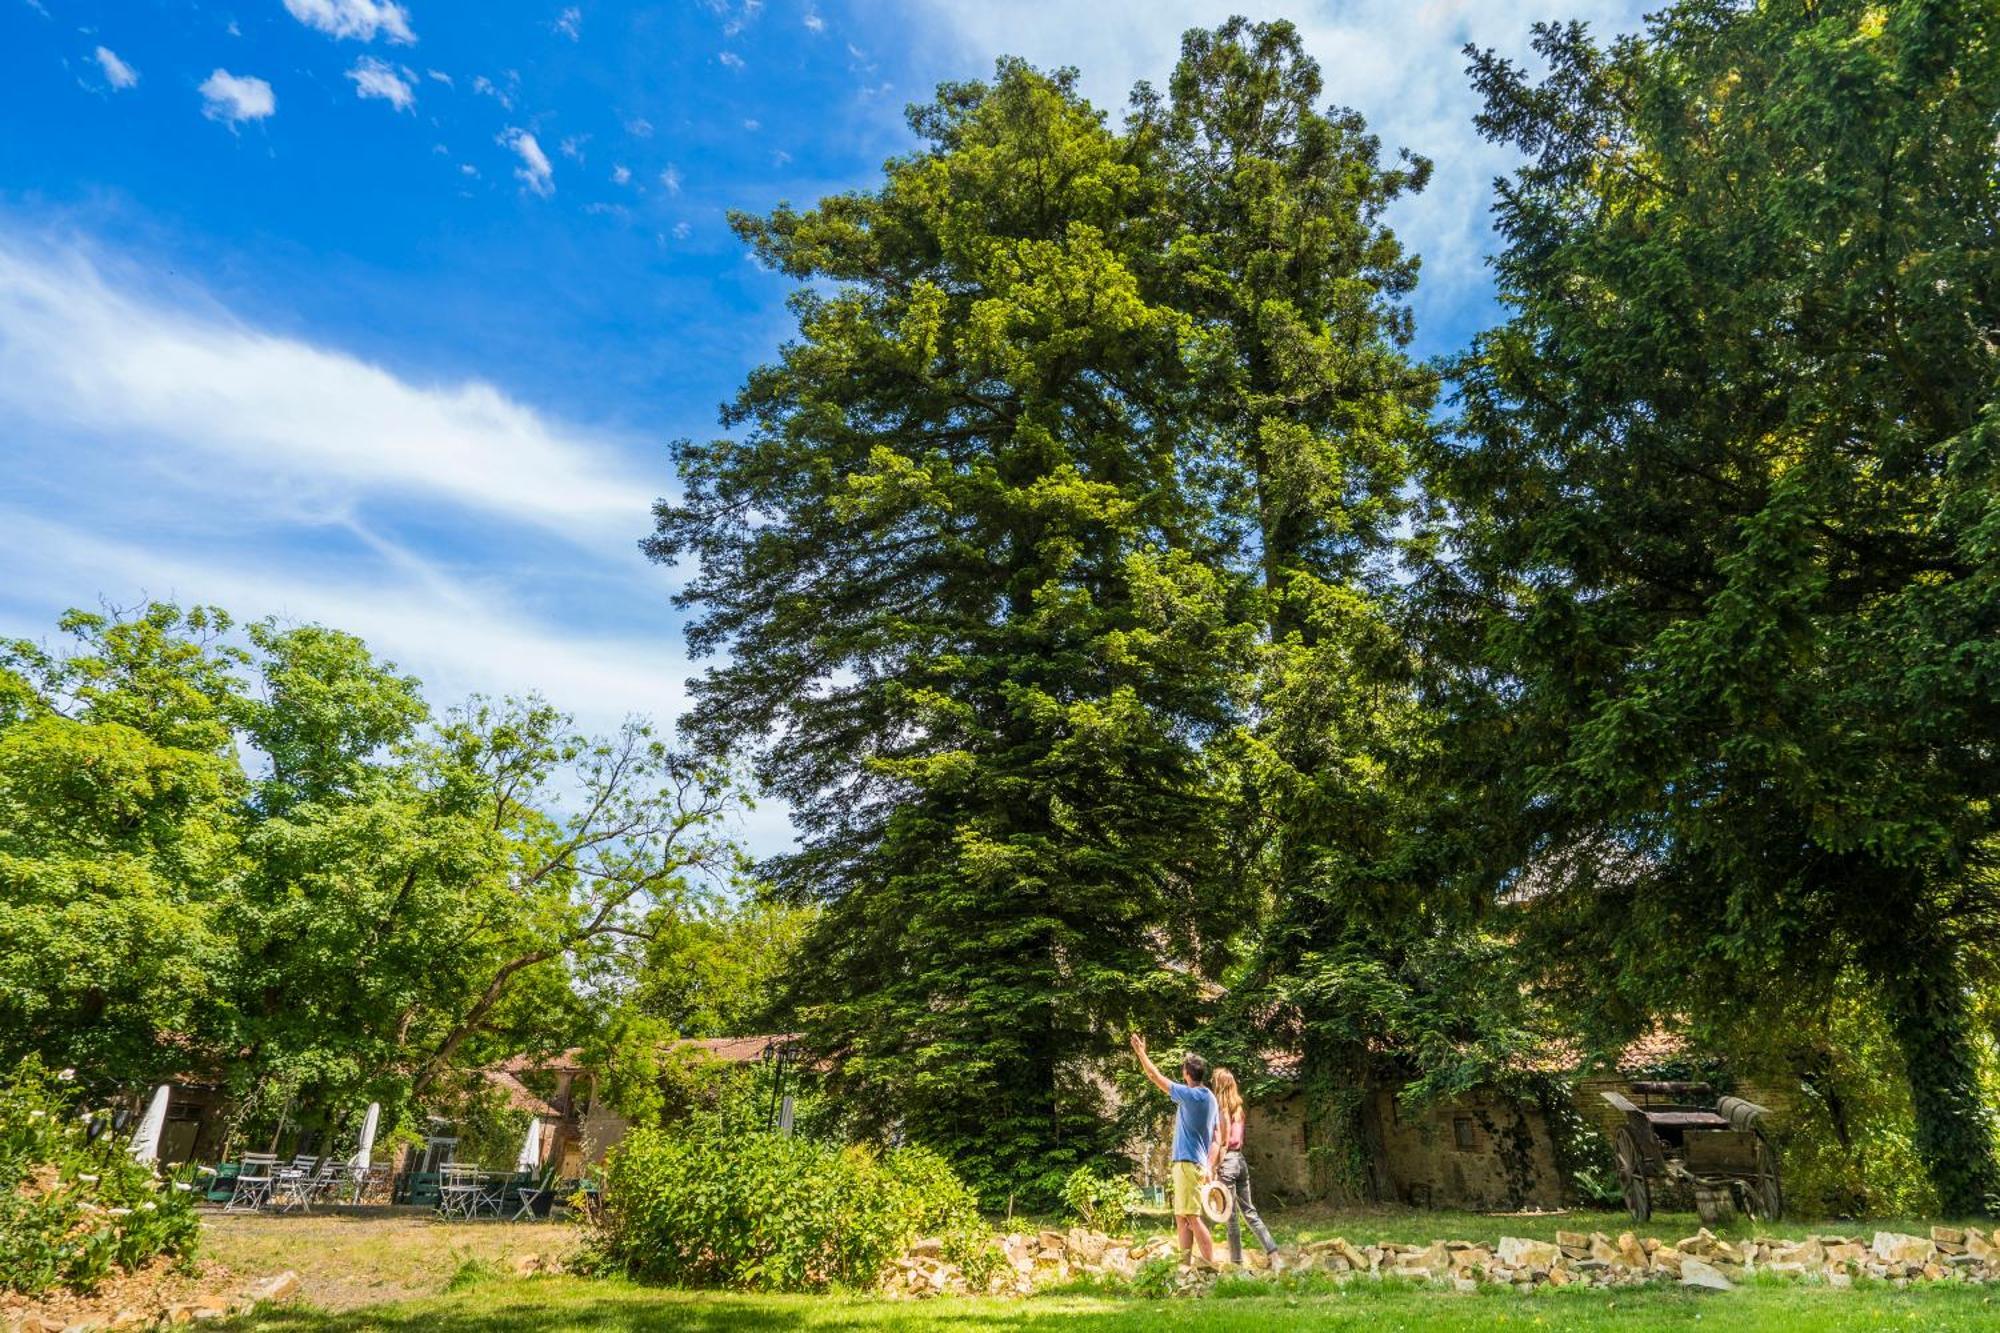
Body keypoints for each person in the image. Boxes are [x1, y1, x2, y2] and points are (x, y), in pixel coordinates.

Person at [1129, 1031, 1217, 1266]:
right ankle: (1184, 1265)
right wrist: (1210, 1165)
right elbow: (1216, 1137)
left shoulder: (1189, 1096)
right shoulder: (1210, 1098)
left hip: (1187, 1163)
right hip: (1193, 1163)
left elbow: (1153, 1075)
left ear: (1186, 1074)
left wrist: (1141, 1053)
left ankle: (1210, 1266)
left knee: (1193, 1217)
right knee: (1181, 1217)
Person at [1209, 1067, 1279, 1265]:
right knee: (1250, 1212)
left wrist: (1214, 1167)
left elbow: (1223, 1141)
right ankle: (1274, 1254)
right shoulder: (1239, 1110)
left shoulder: (1223, 1110)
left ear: (1219, 1086)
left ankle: (1237, 1264)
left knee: (1230, 1217)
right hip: (1240, 1161)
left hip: (1228, 1162)